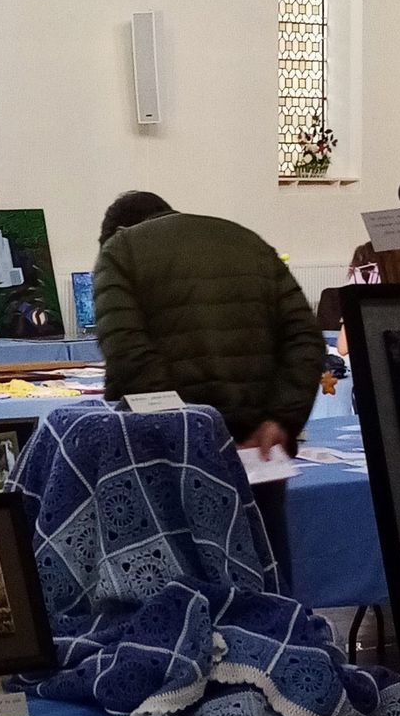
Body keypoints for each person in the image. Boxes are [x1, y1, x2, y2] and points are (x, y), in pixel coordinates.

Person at [92, 192, 324, 578]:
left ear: (114, 232)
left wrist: (186, 430)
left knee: (180, 588)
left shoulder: (121, 250)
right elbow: (306, 338)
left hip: (169, 458)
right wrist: (281, 419)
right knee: (267, 578)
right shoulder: (247, 241)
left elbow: (128, 353)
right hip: (257, 450)